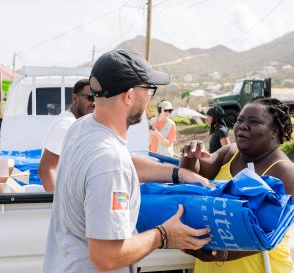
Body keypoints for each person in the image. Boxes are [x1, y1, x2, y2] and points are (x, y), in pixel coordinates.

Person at [43, 49, 212, 273]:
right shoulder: (110, 163)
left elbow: (122, 162)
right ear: (129, 95)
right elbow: (107, 257)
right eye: (148, 90)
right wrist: (163, 235)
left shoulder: (81, 128)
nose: (149, 98)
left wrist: (177, 173)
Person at [180, 96, 294, 273]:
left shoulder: (284, 172)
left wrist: (224, 254)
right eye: (240, 120)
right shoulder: (229, 153)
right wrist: (190, 156)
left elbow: (271, 233)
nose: (242, 126)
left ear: (274, 131)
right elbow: (194, 174)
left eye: (254, 121)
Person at [38, 79, 95, 191]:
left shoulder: (73, 123)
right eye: (90, 97)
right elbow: (45, 169)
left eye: (98, 97)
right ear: (75, 98)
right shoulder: (66, 126)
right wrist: (57, 204)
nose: (94, 103)